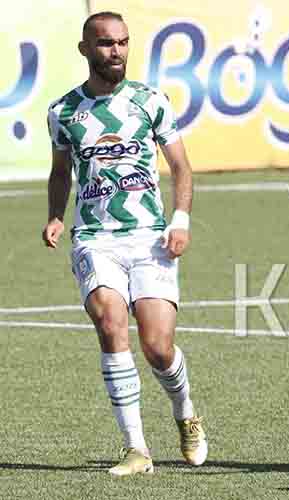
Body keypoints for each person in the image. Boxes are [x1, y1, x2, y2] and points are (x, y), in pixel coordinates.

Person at [43, 11, 207, 476]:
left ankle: (185, 411)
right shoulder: (63, 112)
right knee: (111, 322)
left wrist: (180, 220)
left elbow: (182, 168)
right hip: (95, 239)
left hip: (150, 237)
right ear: (85, 50)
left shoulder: (151, 101)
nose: (115, 51)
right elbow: (60, 172)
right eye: (105, 44)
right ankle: (136, 449)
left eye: (122, 42)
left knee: (158, 347)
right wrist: (56, 215)